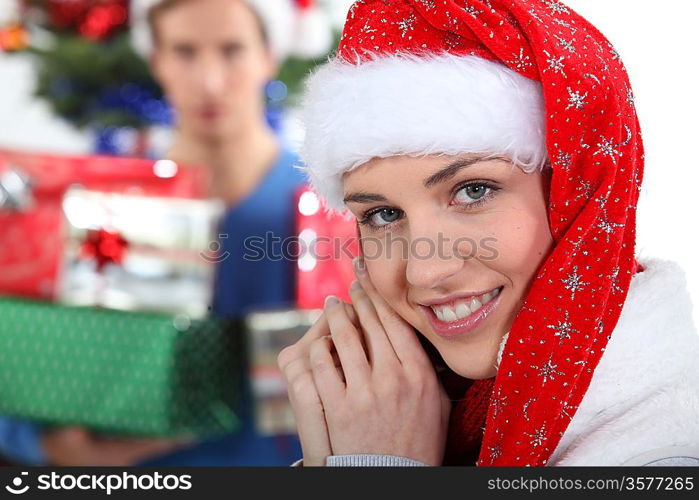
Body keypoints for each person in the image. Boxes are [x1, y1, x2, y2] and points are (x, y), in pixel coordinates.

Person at [278, 0, 699, 466]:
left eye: (473, 191)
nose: (424, 271)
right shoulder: (410, 410)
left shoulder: (666, 459)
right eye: (382, 214)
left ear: (581, 198)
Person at [0, 0, 330, 466]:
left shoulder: (337, 205)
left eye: (232, 49)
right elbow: (22, 351)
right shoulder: (98, 206)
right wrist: (43, 446)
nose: (210, 81)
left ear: (269, 55)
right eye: (185, 51)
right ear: (156, 60)